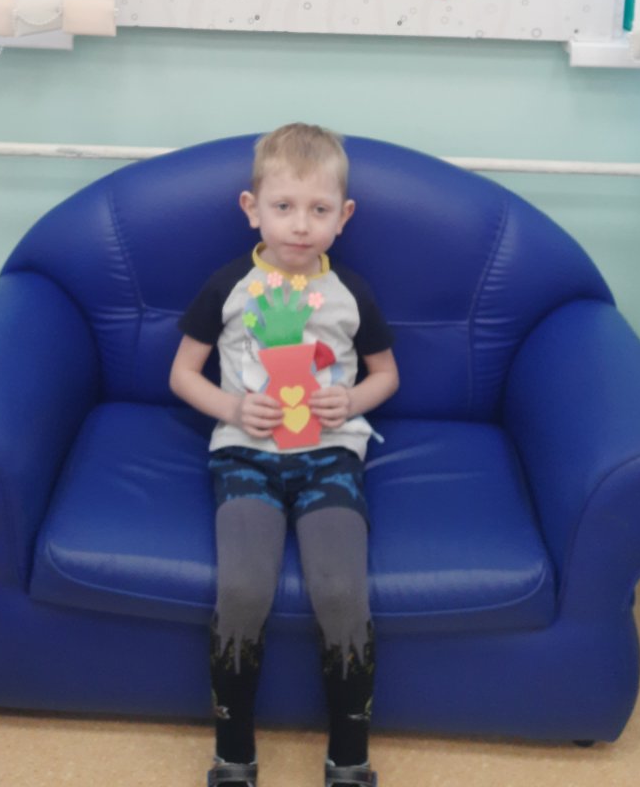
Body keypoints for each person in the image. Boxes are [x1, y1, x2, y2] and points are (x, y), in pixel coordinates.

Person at [170, 124, 399, 787]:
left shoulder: (351, 293)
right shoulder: (229, 287)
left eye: (319, 209)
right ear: (253, 209)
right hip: (246, 454)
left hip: (330, 457)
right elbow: (182, 374)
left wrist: (350, 400)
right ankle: (233, 754)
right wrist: (233, 408)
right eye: (284, 206)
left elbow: (387, 375)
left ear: (343, 216)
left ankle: (349, 757)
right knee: (244, 588)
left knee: (340, 589)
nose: (300, 225)